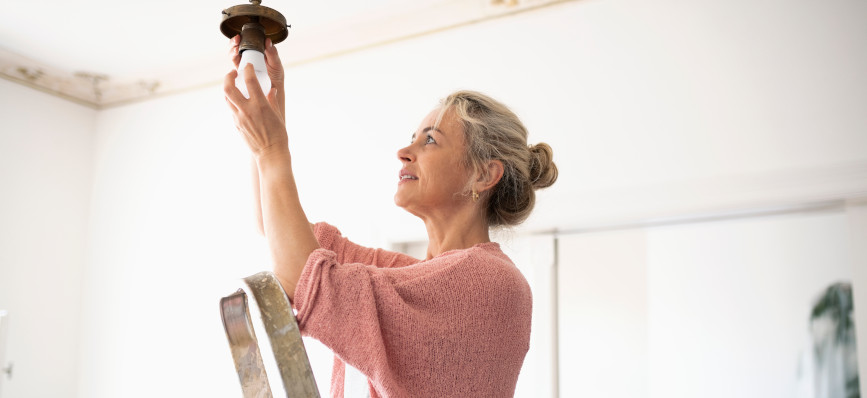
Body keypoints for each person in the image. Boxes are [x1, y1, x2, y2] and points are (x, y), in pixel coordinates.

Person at [224, 35, 558, 397]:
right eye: (412, 138)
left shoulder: (491, 284)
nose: (403, 151)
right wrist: (269, 109)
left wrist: (272, 149)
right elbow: (277, 234)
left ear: (483, 174)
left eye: (429, 140)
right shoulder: (408, 278)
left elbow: (302, 278)